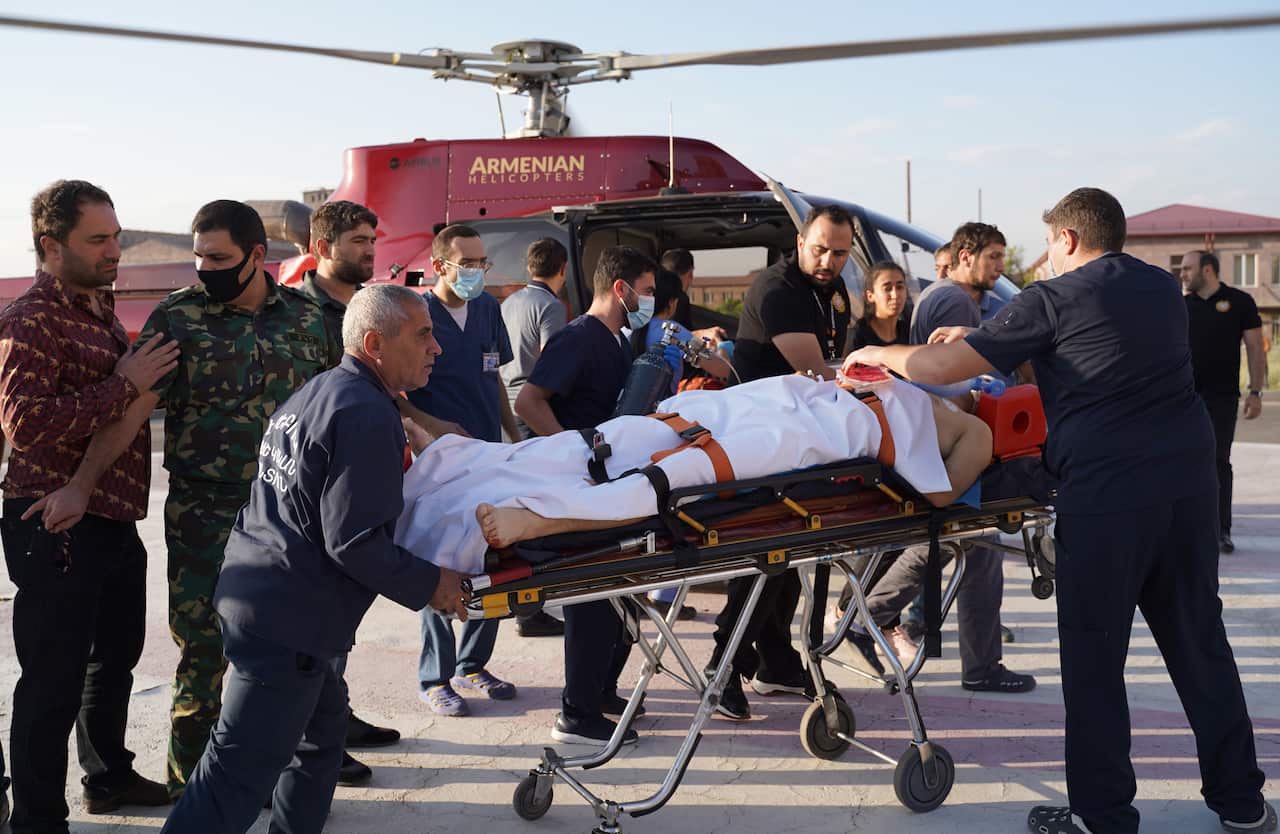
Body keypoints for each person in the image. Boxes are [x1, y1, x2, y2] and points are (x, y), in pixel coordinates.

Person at [848, 187, 1272, 834]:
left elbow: (936, 366)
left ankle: (1101, 817)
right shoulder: (1159, 288)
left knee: (1095, 662)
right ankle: (1244, 805)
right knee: (1200, 645)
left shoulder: (1052, 295)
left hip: (1108, 498)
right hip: (1188, 489)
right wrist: (985, 334)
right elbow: (1092, 345)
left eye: (1047, 244)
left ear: (1068, 238)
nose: (1042, 258)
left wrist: (876, 356)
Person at [159, 284, 469, 834]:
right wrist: (433, 586)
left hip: (262, 597)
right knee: (233, 777)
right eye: (422, 335)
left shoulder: (323, 390)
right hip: (288, 623)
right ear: (375, 343)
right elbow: (352, 542)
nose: (436, 348)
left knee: (320, 742)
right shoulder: (364, 413)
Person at [111, 200, 340, 799]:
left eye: (217, 257)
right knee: (205, 652)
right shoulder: (178, 318)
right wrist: (84, 482)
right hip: (203, 516)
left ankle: (278, 778)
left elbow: (339, 407)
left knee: (291, 651)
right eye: (197, 256)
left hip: (291, 518)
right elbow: (134, 409)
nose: (202, 268)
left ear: (258, 256)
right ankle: (194, 792)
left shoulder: (308, 319)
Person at [0, 180, 178, 833]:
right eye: (97, 239)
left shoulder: (95, 307)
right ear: (51, 245)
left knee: (115, 657)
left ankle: (107, 776)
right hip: (51, 521)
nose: (114, 251)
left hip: (110, 514)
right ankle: (38, 818)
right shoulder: (31, 318)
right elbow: (25, 425)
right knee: (51, 676)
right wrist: (122, 384)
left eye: (116, 237)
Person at [712, 204, 856, 721]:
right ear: (800, 241)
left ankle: (774, 662)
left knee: (789, 566)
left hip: (800, 445)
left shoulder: (830, 292)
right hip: (762, 445)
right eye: (819, 249)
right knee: (763, 563)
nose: (828, 260)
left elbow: (840, 355)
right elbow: (820, 374)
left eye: (839, 253)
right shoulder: (778, 290)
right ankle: (722, 666)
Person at [515, 245, 658, 746]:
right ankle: (576, 715)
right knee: (591, 599)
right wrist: (573, 451)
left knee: (615, 594)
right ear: (621, 289)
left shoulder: (617, 342)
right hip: (581, 488)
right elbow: (529, 401)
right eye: (647, 290)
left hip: (607, 486)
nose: (651, 301)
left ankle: (601, 691)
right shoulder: (577, 338)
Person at [897, 221, 1034, 693]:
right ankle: (978, 666)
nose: (1000, 266)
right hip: (959, 441)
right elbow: (967, 374)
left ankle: (979, 663)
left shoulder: (951, 297)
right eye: (993, 257)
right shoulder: (955, 301)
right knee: (964, 553)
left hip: (950, 440)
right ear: (965, 257)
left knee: (957, 552)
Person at [298, 199, 402, 783]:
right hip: (315, 487)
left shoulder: (373, 307)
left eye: (372, 238)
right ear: (324, 247)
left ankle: (338, 716)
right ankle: (318, 740)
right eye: (359, 240)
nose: (370, 249)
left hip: (357, 477)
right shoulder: (297, 313)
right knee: (313, 622)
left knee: (343, 618)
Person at [405, 224, 519, 717]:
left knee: (493, 559)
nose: (476, 272)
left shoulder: (489, 310)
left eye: (481, 263)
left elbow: (493, 375)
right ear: (440, 266)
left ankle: (474, 663)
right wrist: (436, 428)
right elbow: (397, 395)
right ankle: (436, 675)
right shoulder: (415, 314)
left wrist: (514, 437)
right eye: (467, 263)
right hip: (438, 463)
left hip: (487, 455)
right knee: (442, 561)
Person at [629, 269, 734, 621]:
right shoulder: (670, 331)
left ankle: (638, 588)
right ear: (672, 303)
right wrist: (720, 349)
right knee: (682, 509)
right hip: (664, 427)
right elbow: (720, 370)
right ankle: (664, 591)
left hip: (631, 429)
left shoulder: (633, 331)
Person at [498, 237, 572, 638]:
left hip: (506, 409)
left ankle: (523, 603)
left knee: (515, 502)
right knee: (539, 510)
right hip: (533, 410)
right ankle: (530, 610)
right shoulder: (550, 307)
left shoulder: (508, 304)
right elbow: (551, 364)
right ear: (562, 269)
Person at [1180, 250, 1265, 554]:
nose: (1183, 274)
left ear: (1207, 270)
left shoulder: (1240, 302)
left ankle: (1221, 530)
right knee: (1180, 462)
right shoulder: (1180, 305)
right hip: (1181, 400)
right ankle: (1185, 529)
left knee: (1218, 463)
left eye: (1188, 268)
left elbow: (1256, 348)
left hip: (1221, 399)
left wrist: (1256, 391)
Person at [662, 248, 726, 347]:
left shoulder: (652, 296)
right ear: (690, 273)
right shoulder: (680, 299)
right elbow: (675, 337)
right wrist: (703, 334)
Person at [849, 261, 910, 349]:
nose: (895, 295)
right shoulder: (857, 337)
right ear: (870, 296)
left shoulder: (910, 333)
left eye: (899, 287)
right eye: (887, 289)